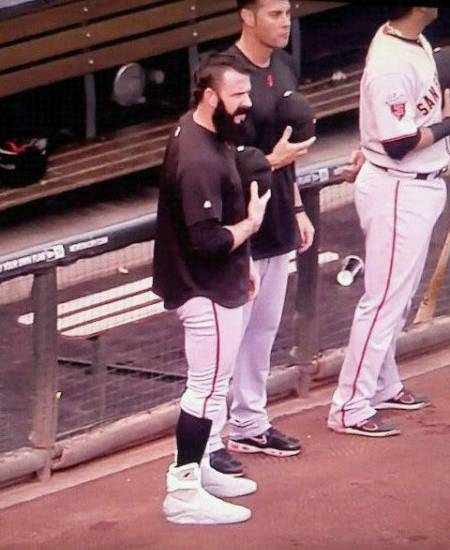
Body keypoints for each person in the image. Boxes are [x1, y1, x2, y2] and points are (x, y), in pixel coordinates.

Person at [153, 52, 271, 524]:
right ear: (209, 96)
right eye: (238, 95)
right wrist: (251, 226)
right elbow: (206, 239)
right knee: (203, 390)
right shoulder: (199, 158)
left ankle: (201, 465)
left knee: (213, 386)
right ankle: (183, 492)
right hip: (203, 287)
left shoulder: (204, 128)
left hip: (214, 280)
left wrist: (243, 260)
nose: (246, 103)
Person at [328, 6, 450, 437]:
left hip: (416, 187)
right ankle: (348, 406)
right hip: (398, 187)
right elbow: (398, 143)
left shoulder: (411, 40)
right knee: (382, 302)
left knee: (396, 298)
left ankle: (382, 383)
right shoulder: (390, 62)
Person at [208, 0, 317, 476]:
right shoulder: (222, 75)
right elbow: (211, 158)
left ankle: (250, 421)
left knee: (262, 332)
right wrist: (271, 163)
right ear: (247, 17)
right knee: (224, 340)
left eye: (288, 13)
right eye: (275, 14)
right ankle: (209, 439)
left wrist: (295, 208)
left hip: (275, 222)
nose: (285, 23)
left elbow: (286, 147)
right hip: (235, 229)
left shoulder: (285, 65)